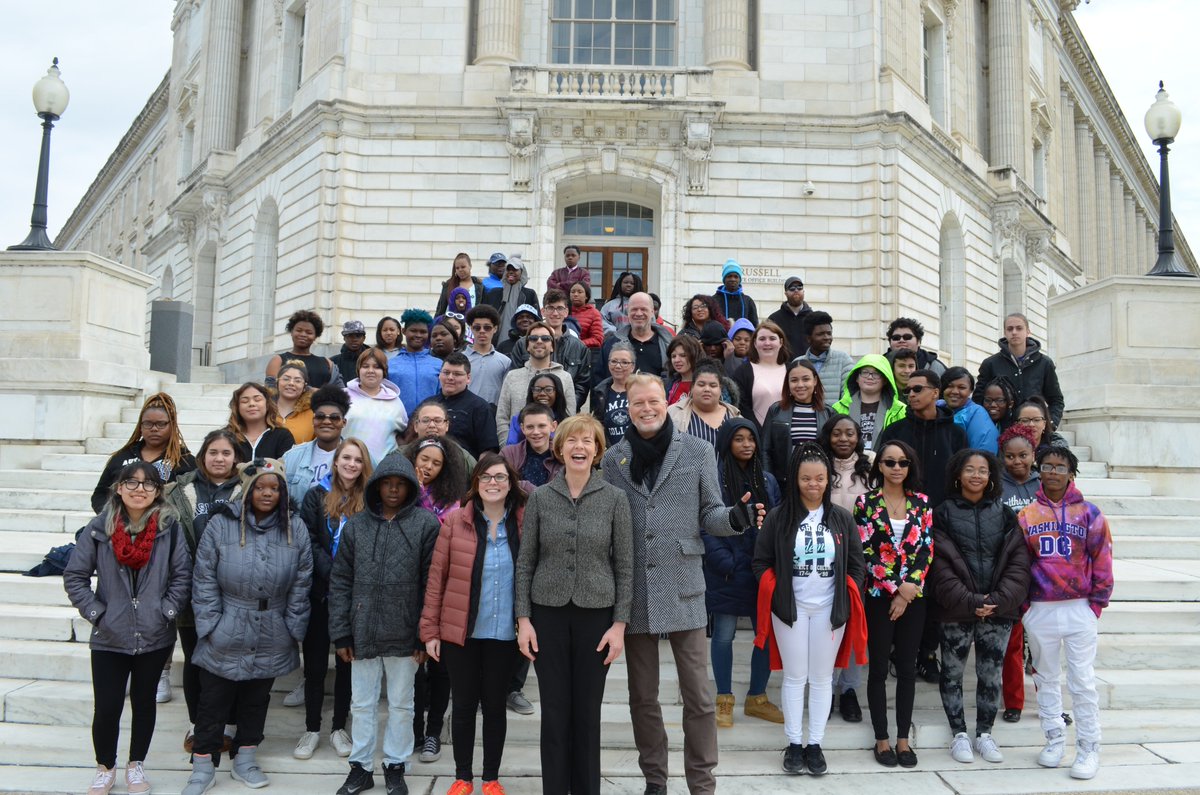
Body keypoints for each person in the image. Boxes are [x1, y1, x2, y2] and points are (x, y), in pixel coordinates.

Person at [601, 374, 764, 795]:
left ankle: (701, 783)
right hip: (635, 589)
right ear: (628, 408)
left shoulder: (697, 450)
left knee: (699, 696)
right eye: (638, 403)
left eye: (653, 401)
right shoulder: (614, 459)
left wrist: (735, 518)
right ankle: (655, 779)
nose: (647, 409)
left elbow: (710, 512)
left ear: (668, 402)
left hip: (684, 584)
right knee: (642, 697)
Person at [516, 414, 633, 795]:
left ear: (597, 451)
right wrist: (523, 619)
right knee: (554, 711)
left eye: (587, 441)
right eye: (571, 440)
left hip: (596, 616)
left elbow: (625, 565)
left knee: (586, 712)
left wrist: (619, 625)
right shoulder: (540, 498)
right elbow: (526, 561)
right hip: (547, 614)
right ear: (560, 448)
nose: (579, 447)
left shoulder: (615, 499)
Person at [182, 458, 313, 794]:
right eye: (260, 487)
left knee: (256, 699)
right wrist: (211, 625)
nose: (267, 493)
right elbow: (204, 577)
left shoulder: (294, 527)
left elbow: (302, 580)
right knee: (213, 700)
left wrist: (292, 627)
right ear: (247, 489)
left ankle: (246, 759)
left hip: (273, 626)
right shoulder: (221, 524)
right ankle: (202, 765)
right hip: (228, 622)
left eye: (274, 488)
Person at [65, 462, 192, 795]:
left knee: (144, 702)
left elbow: (182, 575)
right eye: (132, 483)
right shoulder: (99, 528)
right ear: (119, 488)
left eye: (148, 484)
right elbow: (75, 576)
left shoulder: (169, 528)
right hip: (110, 634)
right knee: (107, 706)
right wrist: (97, 613)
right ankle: (105, 767)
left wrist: (167, 610)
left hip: (155, 633)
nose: (140, 490)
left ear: (158, 491)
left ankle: (136, 764)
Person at [328, 451, 441, 795]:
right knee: (362, 703)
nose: (393, 490)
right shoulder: (357, 525)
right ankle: (361, 768)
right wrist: (341, 632)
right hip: (362, 630)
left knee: (402, 704)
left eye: (400, 484)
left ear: (410, 488)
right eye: (387, 483)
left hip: (406, 632)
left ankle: (395, 765)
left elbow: (431, 583)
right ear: (376, 486)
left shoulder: (426, 525)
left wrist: (424, 634)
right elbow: (340, 580)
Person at [752, 443, 866, 776]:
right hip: (791, 610)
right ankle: (793, 743)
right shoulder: (779, 517)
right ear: (794, 479)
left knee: (821, 679)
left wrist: (846, 594)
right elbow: (760, 562)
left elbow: (856, 565)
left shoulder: (841, 518)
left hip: (830, 611)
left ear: (828, 480)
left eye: (819, 478)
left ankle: (815, 744)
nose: (813, 484)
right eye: (806, 479)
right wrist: (776, 592)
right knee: (794, 677)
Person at [421, 453, 526, 795]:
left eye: (500, 477)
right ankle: (463, 777)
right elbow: (437, 579)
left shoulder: (523, 522)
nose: (493, 483)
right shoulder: (455, 522)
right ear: (476, 483)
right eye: (486, 477)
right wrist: (430, 630)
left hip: (505, 634)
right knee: (464, 706)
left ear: (510, 484)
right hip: (461, 633)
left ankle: (491, 778)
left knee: (495, 707)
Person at [1018, 445, 1114, 781]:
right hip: (1040, 608)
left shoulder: (1089, 513)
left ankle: (1088, 747)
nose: (1053, 472)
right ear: (1039, 471)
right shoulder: (1027, 515)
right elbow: (1019, 563)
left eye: (1060, 467)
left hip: (1079, 607)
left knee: (1082, 680)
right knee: (1045, 677)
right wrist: (1025, 607)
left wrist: (1096, 603)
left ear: (1071, 473)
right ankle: (1054, 739)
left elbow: (1102, 559)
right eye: (1047, 466)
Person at [929, 450, 1031, 766]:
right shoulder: (942, 513)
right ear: (957, 475)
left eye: (983, 470)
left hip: (998, 610)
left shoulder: (1004, 514)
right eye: (970, 469)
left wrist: (997, 600)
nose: (976, 475)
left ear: (991, 476)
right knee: (952, 673)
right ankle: (959, 734)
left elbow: (1018, 562)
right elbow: (939, 565)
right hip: (956, 609)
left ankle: (985, 733)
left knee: (990, 674)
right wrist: (971, 601)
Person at [162, 429, 245, 750]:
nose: (219, 458)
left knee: (231, 661)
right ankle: (197, 725)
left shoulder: (247, 488)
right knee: (195, 659)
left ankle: (230, 724)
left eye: (226, 453)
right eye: (213, 452)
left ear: (236, 458)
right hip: (190, 592)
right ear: (202, 456)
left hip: (232, 592)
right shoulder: (179, 490)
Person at [292, 439, 373, 760]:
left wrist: (349, 577)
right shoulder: (316, 495)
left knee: (346, 664)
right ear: (336, 461)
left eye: (358, 459)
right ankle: (312, 729)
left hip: (355, 597)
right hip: (321, 594)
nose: (351, 464)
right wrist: (334, 572)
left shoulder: (371, 500)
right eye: (346, 458)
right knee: (314, 666)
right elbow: (309, 539)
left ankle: (339, 726)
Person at [854, 440, 933, 769]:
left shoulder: (922, 503)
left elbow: (926, 549)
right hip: (878, 597)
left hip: (914, 597)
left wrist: (908, 590)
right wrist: (895, 588)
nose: (897, 468)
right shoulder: (865, 502)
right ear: (880, 466)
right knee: (877, 669)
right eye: (890, 462)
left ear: (910, 466)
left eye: (903, 462)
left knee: (907, 669)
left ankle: (903, 739)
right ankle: (881, 738)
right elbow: (864, 551)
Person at [707, 419, 783, 729]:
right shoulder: (713, 479)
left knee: (765, 634)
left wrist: (770, 563)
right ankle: (724, 698)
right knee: (723, 636)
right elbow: (705, 523)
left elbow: (778, 522)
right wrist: (726, 562)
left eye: (751, 438)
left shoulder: (767, 480)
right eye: (738, 439)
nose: (746, 444)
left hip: (761, 571)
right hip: (726, 572)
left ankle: (757, 698)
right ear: (727, 442)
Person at [818, 415, 873, 722]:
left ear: (858, 437)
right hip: (823, 558)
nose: (843, 439)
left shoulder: (870, 467)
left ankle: (849, 689)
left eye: (849, 433)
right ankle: (825, 688)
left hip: (860, 560)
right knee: (826, 626)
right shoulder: (818, 466)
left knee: (853, 626)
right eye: (837, 433)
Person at [998, 423, 1041, 724]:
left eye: (1023, 455)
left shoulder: (1044, 484)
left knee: (1041, 643)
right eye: (1010, 456)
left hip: (1042, 573)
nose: (1017, 462)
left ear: (1033, 454)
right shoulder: (996, 485)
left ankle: (1049, 702)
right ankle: (1014, 702)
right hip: (1009, 571)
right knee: (1013, 642)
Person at [91, 392, 196, 514]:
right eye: (148, 423)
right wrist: (113, 517)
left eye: (161, 424)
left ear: (172, 426)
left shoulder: (185, 461)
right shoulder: (121, 457)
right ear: (140, 427)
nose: (154, 428)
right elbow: (100, 494)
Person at [974, 313, 1065, 427]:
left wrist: (1050, 425)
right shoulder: (990, 364)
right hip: (1001, 430)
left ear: (1028, 331)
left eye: (1019, 328)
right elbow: (978, 400)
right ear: (1005, 332)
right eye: (1010, 329)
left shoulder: (1044, 363)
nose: (1014, 332)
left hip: (1033, 430)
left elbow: (1056, 400)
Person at [495, 322, 577, 445]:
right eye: (533, 338)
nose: (539, 341)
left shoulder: (565, 377)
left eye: (545, 338)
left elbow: (569, 419)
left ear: (552, 347)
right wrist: (507, 448)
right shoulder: (512, 377)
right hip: (516, 449)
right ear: (527, 346)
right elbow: (502, 417)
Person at [507, 288, 591, 406]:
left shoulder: (579, 347)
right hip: (530, 410)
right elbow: (516, 379)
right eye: (550, 308)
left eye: (560, 308)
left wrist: (566, 408)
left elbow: (582, 385)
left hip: (564, 413)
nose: (555, 313)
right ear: (543, 311)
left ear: (566, 312)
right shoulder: (523, 343)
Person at [761, 359, 832, 487]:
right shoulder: (776, 410)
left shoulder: (828, 412)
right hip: (784, 483)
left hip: (816, 484)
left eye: (806, 379)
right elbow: (765, 449)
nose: (800, 385)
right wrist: (768, 480)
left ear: (815, 381)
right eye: (794, 380)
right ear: (787, 383)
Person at [282, 384, 355, 508]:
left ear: (343, 422)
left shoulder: (359, 457)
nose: (326, 421)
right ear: (313, 421)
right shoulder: (291, 457)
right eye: (320, 416)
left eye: (334, 418)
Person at [830, 355, 906, 452]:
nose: (870, 377)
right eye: (865, 372)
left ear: (885, 380)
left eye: (876, 373)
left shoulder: (900, 410)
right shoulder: (838, 408)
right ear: (856, 378)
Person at [345, 348, 409, 461]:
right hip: (348, 465)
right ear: (358, 370)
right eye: (365, 366)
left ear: (384, 371)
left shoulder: (395, 401)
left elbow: (403, 433)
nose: (371, 371)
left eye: (377, 367)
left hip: (382, 468)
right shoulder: (342, 396)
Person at [596, 292, 673, 382]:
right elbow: (599, 380)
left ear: (652, 312)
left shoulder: (668, 344)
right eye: (634, 309)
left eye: (643, 309)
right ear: (627, 312)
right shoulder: (611, 344)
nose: (639, 313)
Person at [439, 351, 500, 459]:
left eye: (457, 374)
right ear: (439, 375)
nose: (450, 377)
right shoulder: (428, 405)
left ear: (468, 378)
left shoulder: (480, 407)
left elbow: (488, 451)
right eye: (446, 372)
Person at [731, 320, 791, 427]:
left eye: (772, 338)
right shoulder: (742, 372)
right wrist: (759, 432)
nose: (767, 343)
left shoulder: (792, 370)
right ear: (754, 343)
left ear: (781, 342)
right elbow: (742, 407)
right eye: (762, 339)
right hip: (756, 433)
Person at [666, 361, 739, 447]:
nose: (707, 389)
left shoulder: (734, 415)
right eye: (701, 385)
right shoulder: (673, 413)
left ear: (720, 390)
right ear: (692, 388)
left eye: (713, 385)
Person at [387, 308, 443, 417]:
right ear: (403, 331)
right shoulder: (390, 364)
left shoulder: (438, 364)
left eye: (423, 332)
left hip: (430, 423)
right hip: (398, 423)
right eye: (413, 331)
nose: (418, 335)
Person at [265, 309, 341, 388]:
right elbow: (271, 391)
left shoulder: (327, 363)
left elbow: (339, 390)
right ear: (291, 332)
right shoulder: (278, 361)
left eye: (309, 332)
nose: (303, 334)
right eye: (299, 330)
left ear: (315, 336)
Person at [226, 382, 295, 461]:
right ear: (237, 407)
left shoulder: (282, 436)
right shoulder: (226, 436)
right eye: (244, 401)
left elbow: (288, 465)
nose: (251, 404)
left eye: (257, 399)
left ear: (267, 404)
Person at [502, 403, 562, 491]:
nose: (536, 432)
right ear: (522, 428)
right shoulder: (509, 454)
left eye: (541, 426)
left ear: (553, 426)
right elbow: (502, 484)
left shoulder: (563, 454)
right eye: (530, 427)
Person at [797, 311, 854, 403]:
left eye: (829, 333)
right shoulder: (798, 363)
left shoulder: (844, 360)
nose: (826, 337)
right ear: (808, 338)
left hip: (835, 412)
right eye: (820, 334)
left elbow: (848, 396)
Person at [942, 367, 999, 453]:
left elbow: (983, 453)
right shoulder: (936, 407)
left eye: (961, 387)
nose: (954, 391)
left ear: (971, 390)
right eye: (949, 386)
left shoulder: (977, 415)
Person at [465, 304, 513, 406]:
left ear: (495, 329)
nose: (482, 331)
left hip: (494, 412)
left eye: (487, 327)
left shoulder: (505, 361)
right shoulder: (461, 359)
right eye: (477, 327)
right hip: (466, 411)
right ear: (471, 328)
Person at [590, 340, 635, 447]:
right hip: (611, 452)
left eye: (624, 362)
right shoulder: (600, 392)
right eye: (614, 361)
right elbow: (598, 425)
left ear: (633, 367)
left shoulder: (641, 391)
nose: (618, 366)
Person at [485, 257, 540, 343]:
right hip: (496, 341)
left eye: (515, 270)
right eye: (508, 269)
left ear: (522, 272)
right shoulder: (494, 293)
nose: (511, 272)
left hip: (522, 341)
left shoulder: (529, 294)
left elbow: (537, 320)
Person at [505, 373, 569, 445]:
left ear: (557, 392)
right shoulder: (519, 418)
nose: (542, 393)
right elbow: (511, 446)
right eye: (537, 389)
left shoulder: (567, 422)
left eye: (548, 389)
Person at [768, 276, 812, 358]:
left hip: (807, 363)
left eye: (799, 287)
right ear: (785, 293)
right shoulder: (774, 319)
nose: (796, 290)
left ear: (803, 291)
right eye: (792, 288)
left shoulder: (813, 318)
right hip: (782, 364)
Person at [274, 359, 316, 444]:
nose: (291, 383)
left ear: (304, 387)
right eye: (286, 379)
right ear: (277, 382)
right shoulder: (265, 410)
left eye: (297, 381)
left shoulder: (313, 414)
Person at [436, 253, 486, 317]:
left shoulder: (479, 286)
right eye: (457, 268)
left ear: (470, 266)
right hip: (450, 322)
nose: (460, 270)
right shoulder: (448, 285)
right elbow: (440, 309)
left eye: (463, 267)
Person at [713, 258, 759, 325]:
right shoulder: (714, 300)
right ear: (724, 279)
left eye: (736, 277)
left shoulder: (748, 301)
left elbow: (754, 325)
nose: (733, 279)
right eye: (729, 276)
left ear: (739, 280)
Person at [666, 333, 702, 405]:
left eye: (683, 355)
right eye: (673, 356)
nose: (677, 360)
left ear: (694, 356)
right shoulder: (669, 385)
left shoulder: (706, 384)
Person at [331, 320, 371, 385]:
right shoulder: (333, 362)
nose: (354, 339)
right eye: (350, 336)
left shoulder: (373, 360)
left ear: (364, 338)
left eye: (358, 336)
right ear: (344, 338)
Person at [568, 282, 605, 349]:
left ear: (586, 296)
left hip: (584, 351)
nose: (575, 294)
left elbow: (597, 339)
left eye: (580, 292)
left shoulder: (594, 313)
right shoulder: (564, 311)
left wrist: (577, 344)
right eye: (573, 292)